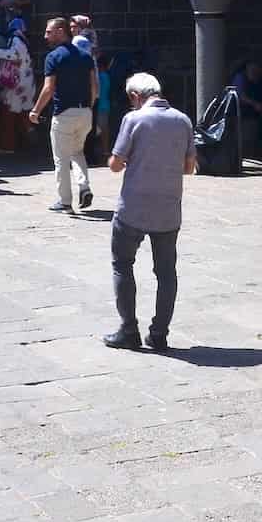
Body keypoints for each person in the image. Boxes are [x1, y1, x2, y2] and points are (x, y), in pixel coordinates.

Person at [103, 73, 196, 351]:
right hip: (168, 208)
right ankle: (159, 334)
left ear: (135, 96)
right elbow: (189, 167)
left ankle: (128, 330)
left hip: (133, 206)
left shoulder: (133, 119)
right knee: (166, 272)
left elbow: (115, 164)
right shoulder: (183, 120)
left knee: (122, 264)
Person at [31, 17, 96, 215]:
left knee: (61, 158)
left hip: (64, 113)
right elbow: (94, 86)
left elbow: (49, 88)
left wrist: (36, 110)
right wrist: (89, 107)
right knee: (77, 152)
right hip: (85, 112)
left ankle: (65, 201)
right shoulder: (86, 56)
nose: (45, 36)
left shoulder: (54, 57)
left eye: (49, 32)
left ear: (61, 31)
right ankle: (84, 187)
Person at [0, 18, 37, 155]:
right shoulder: (25, 40)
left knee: (9, 114)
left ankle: (8, 146)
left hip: (16, 84)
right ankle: (28, 139)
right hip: (26, 82)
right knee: (23, 113)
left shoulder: (16, 39)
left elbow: (13, 55)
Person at [229, 59, 262, 149]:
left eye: (257, 69)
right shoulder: (240, 77)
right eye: (252, 69)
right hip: (242, 106)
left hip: (259, 106)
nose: (255, 71)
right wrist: (254, 104)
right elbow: (240, 95)